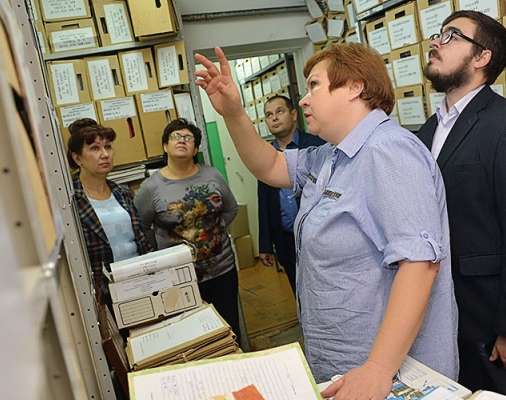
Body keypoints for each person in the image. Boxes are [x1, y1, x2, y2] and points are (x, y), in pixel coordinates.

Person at [195, 43, 458, 400]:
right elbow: (270, 166)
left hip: (389, 374)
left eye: (314, 86)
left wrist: (379, 368)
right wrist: (233, 113)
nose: (303, 101)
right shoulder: (331, 156)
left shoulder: (388, 151)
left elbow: (419, 264)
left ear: (354, 86)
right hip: (345, 364)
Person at [419, 10, 506, 399]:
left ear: (481, 57)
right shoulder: (425, 133)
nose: (435, 43)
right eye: (437, 34)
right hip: (443, 325)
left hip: (494, 329)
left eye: (451, 36)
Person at [134, 119, 240, 336]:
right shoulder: (151, 187)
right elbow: (143, 229)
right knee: (193, 336)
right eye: (175, 136)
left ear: (196, 148)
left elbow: (230, 209)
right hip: (178, 277)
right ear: (165, 146)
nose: (182, 140)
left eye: (188, 138)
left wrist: (209, 234)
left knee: (229, 329)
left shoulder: (212, 174)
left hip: (222, 269)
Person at [67, 118, 153, 307]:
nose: (105, 154)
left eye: (108, 147)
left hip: (139, 283)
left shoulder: (121, 192)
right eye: (95, 148)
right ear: (77, 158)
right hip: (102, 294)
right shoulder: (70, 199)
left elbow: (142, 241)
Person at [258, 94, 325, 294]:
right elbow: (264, 202)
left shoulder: (317, 145)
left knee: (322, 290)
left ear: (294, 114)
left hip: (316, 236)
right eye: (269, 115)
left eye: (280, 111)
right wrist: (265, 244)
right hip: (286, 239)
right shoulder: (266, 156)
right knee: (298, 292)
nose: (275, 118)